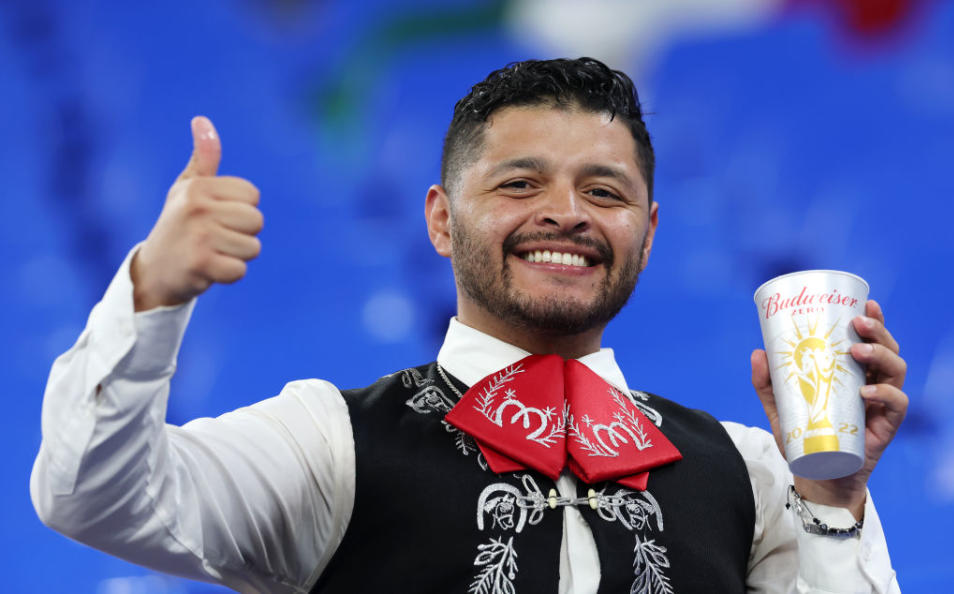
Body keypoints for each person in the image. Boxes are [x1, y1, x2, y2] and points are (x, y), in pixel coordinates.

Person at [31, 58, 907, 593]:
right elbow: (90, 497)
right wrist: (151, 293)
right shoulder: (326, 443)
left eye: (603, 192)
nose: (565, 214)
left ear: (647, 232)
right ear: (441, 220)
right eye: (519, 185)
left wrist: (832, 500)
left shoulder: (752, 471)